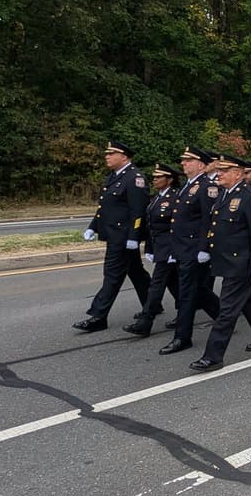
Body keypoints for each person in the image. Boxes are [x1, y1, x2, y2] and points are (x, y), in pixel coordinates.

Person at [188, 155, 251, 372]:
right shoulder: (224, 195)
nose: (219, 173)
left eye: (224, 170)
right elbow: (217, 227)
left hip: (243, 264)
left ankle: (213, 356)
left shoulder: (250, 198)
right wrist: (207, 249)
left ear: (237, 174)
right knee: (247, 301)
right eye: (219, 170)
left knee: (227, 310)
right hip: (228, 261)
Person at [74, 141, 151, 332]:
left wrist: (134, 236)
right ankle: (153, 304)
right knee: (136, 273)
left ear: (124, 157)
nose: (107, 156)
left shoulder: (134, 178)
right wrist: (93, 226)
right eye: (107, 153)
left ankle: (99, 316)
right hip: (114, 235)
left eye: (111, 153)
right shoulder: (114, 176)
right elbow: (105, 208)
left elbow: (138, 211)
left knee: (112, 275)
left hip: (124, 237)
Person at [158, 146, 222, 356]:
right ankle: (224, 318)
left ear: (201, 165)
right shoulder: (188, 186)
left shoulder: (206, 187)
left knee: (187, 294)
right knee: (200, 290)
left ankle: (182, 337)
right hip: (183, 248)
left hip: (194, 250)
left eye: (189, 160)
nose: (184, 163)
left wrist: (204, 248)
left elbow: (209, 220)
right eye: (183, 160)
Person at [123, 163, 180, 336]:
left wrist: (174, 251)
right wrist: (149, 247)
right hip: (160, 248)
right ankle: (212, 313)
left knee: (157, 284)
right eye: (153, 177)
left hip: (170, 249)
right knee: (176, 284)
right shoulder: (156, 198)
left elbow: (178, 227)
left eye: (158, 177)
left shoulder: (175, 198)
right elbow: (151, 226)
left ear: (169, 180)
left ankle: (145, 321)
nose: (154, 180)